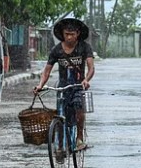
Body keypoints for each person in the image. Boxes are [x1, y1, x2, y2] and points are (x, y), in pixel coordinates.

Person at [34, 18, 95, 150]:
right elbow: (46, 71)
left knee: (79, 107)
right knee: (61, 115)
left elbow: (91, 68)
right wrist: (40, 85)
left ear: (77, 33)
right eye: (66, 34)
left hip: (78, 86)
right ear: (62, 34)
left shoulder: (84, 47)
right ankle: (60, 146)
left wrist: (86, 80)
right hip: (63, 86)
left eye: (72, 34)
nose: (69, 37)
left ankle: (79, 138)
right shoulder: (56, 50)